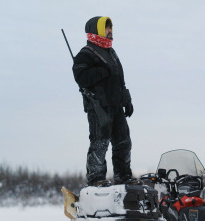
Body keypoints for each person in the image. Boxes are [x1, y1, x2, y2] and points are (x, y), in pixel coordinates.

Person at [72, 16, 134, 186]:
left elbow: (120, 80)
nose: (110, 31)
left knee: (124, 142)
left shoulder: (111, 53)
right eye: (106, 28)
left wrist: (127, 100)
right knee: (100, 142)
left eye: (110, 28)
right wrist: (101, 71)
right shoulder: (86, 53)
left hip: (116, 106)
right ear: (96, 30)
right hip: (98, 107)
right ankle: (96, 179)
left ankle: (124, 176)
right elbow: (81, 76)